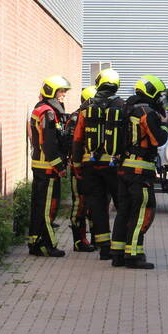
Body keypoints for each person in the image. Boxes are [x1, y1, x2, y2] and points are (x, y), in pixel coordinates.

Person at [111, 75, 168, 270]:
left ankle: (118, 254)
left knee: (124, 212)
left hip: (124, 168)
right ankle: (134, 255)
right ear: (151, 92)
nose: (160, 100)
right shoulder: (146, 112)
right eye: (159, 95)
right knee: (142, 212)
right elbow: (158, 139)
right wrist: (163, 122)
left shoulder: (126, 109)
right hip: (140, 171)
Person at [71, 70, 126, 260]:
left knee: (97, 207)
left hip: (90, 165)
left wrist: (76, 164)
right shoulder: (122, 105)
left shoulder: (86, 107)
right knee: (122, 205)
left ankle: (103, 248)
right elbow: (126, 138)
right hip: (113, 165)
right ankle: (121, 247)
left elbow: (77, 138)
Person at [28, 75, 71, 257]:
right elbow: (49, 143)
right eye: (61, 91)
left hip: (41, 166)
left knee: (39, 207)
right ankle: (47, 245)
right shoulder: (48, 112)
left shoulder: (42, 109)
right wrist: (59, 166)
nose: (63, 95)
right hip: (47, 168)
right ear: (51, 91)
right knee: (47, 208)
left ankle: (35, 243)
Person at [64, 86, 99, 252]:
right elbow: (72, 144)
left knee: (95, 204)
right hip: (79, 168)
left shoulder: (94, 115)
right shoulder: (76, 117)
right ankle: (79, 241)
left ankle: (97, 238)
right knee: (80, 204)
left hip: (93, 168)